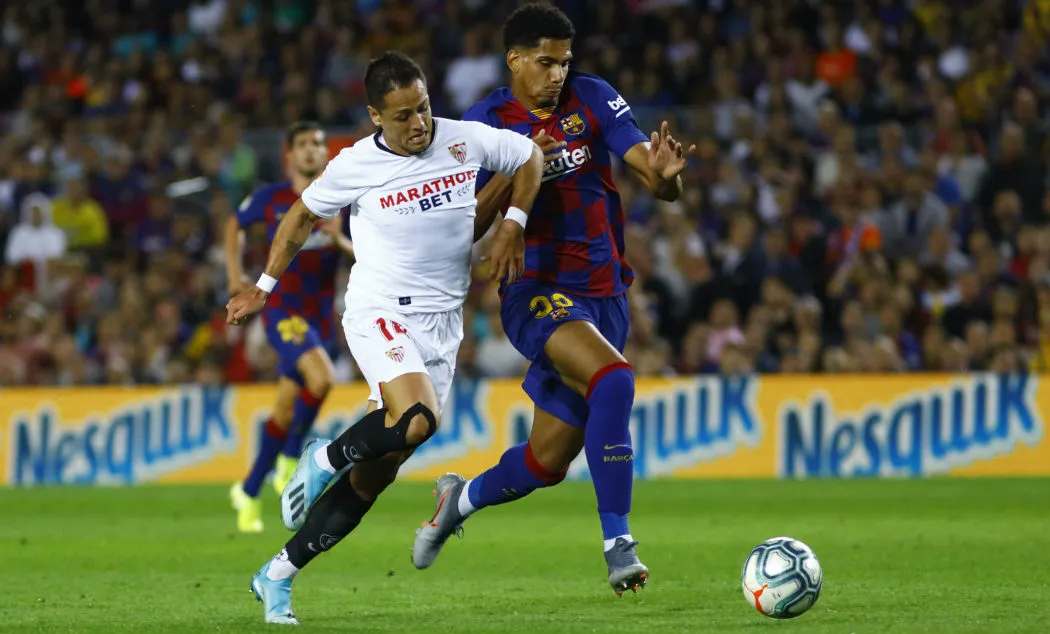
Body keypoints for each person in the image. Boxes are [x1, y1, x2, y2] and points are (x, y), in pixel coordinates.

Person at [224, 51, 544, 624]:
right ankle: (323, 455)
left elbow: (530, 156)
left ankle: (275, 575)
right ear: (375, 116)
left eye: (422, 108)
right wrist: (265, 287)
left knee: (378, 473)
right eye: (402, 116)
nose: (418, 123)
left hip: (441, 326)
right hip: (379, 312)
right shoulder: (353, 165)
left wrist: (513, 223)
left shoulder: (463, 138)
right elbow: (298, 217)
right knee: (418, 418)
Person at [409, 3, 694, 596]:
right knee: (615, 379)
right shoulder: (484, 122)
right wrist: (519, 170)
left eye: (564, 62)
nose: (558, 73)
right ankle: (619, 544)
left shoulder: (592, 96)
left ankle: (455, 503)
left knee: (546, 462)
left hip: (606, 295)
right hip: (536, 292)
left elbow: (649, 171)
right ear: (514, 60)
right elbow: (465, 222)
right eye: (545, 62)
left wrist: (666, 179)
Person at [225, 122, 355, 533]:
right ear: (289, 154)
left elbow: (366, 253)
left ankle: (246, 492)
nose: (312, 150)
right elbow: (234, 226)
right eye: (303, 144)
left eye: (318, 143)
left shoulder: (341, 201)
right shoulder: (272, 198)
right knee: (322, 379)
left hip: (320, 320)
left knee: (283, 410)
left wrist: (340, 244)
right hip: (284, 313)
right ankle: (290, 460)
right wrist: (234, 275)